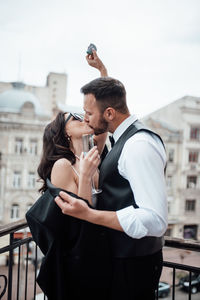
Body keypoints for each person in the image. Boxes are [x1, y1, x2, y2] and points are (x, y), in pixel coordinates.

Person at [55, 65, 168, 299]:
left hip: (133, 266)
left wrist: (88, 214)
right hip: (122, 260)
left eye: (88, 112)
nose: (84, 118)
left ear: (108, 114)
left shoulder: (139, 146)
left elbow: (155, 220)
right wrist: (102, 72)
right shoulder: (122, 139)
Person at [26, 51, 109, 300]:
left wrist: (102, 72)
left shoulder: (90, 155)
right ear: (64, 133)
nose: (80, 117)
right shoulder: (63, 165)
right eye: (71, 118)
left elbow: (103, 120)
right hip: (80, 256)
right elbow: (76, 219)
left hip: (98, 247)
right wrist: (84, 178)